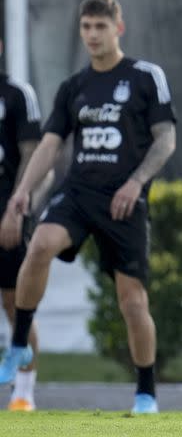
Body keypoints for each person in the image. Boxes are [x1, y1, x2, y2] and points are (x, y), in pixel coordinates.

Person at [0, 0, 176, 414]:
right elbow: (50, 144)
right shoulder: (73, 86)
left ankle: (146, 392)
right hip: (79, 193)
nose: (93, 35)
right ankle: (20, 343)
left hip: (123, 201)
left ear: (119, 27)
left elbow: (166, 139)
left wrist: (136, 183)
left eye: (101, 26)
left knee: (132, 302)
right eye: (86, 27)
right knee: (39, 244)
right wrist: (23, 191)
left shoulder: (144, 76)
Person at [0, 38, 46, 411]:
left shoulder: (16, 94)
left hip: (6, 213)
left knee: (15, 301)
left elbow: (32, 154)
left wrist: (16, 210)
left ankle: (24, 392)